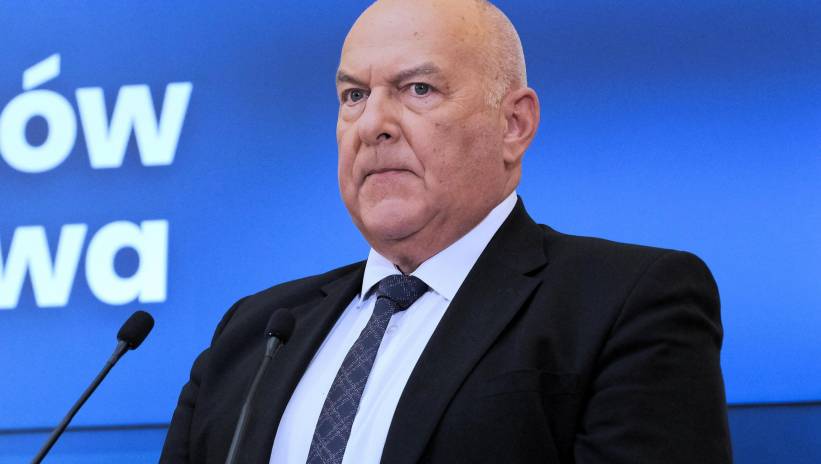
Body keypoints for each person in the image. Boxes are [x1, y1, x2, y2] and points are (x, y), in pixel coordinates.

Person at [161, 0, 732, 462]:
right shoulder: (254, 332)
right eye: (354, 96)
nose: (373, 125)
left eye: (418, 89)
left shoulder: (624, 301)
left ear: (514, 124)